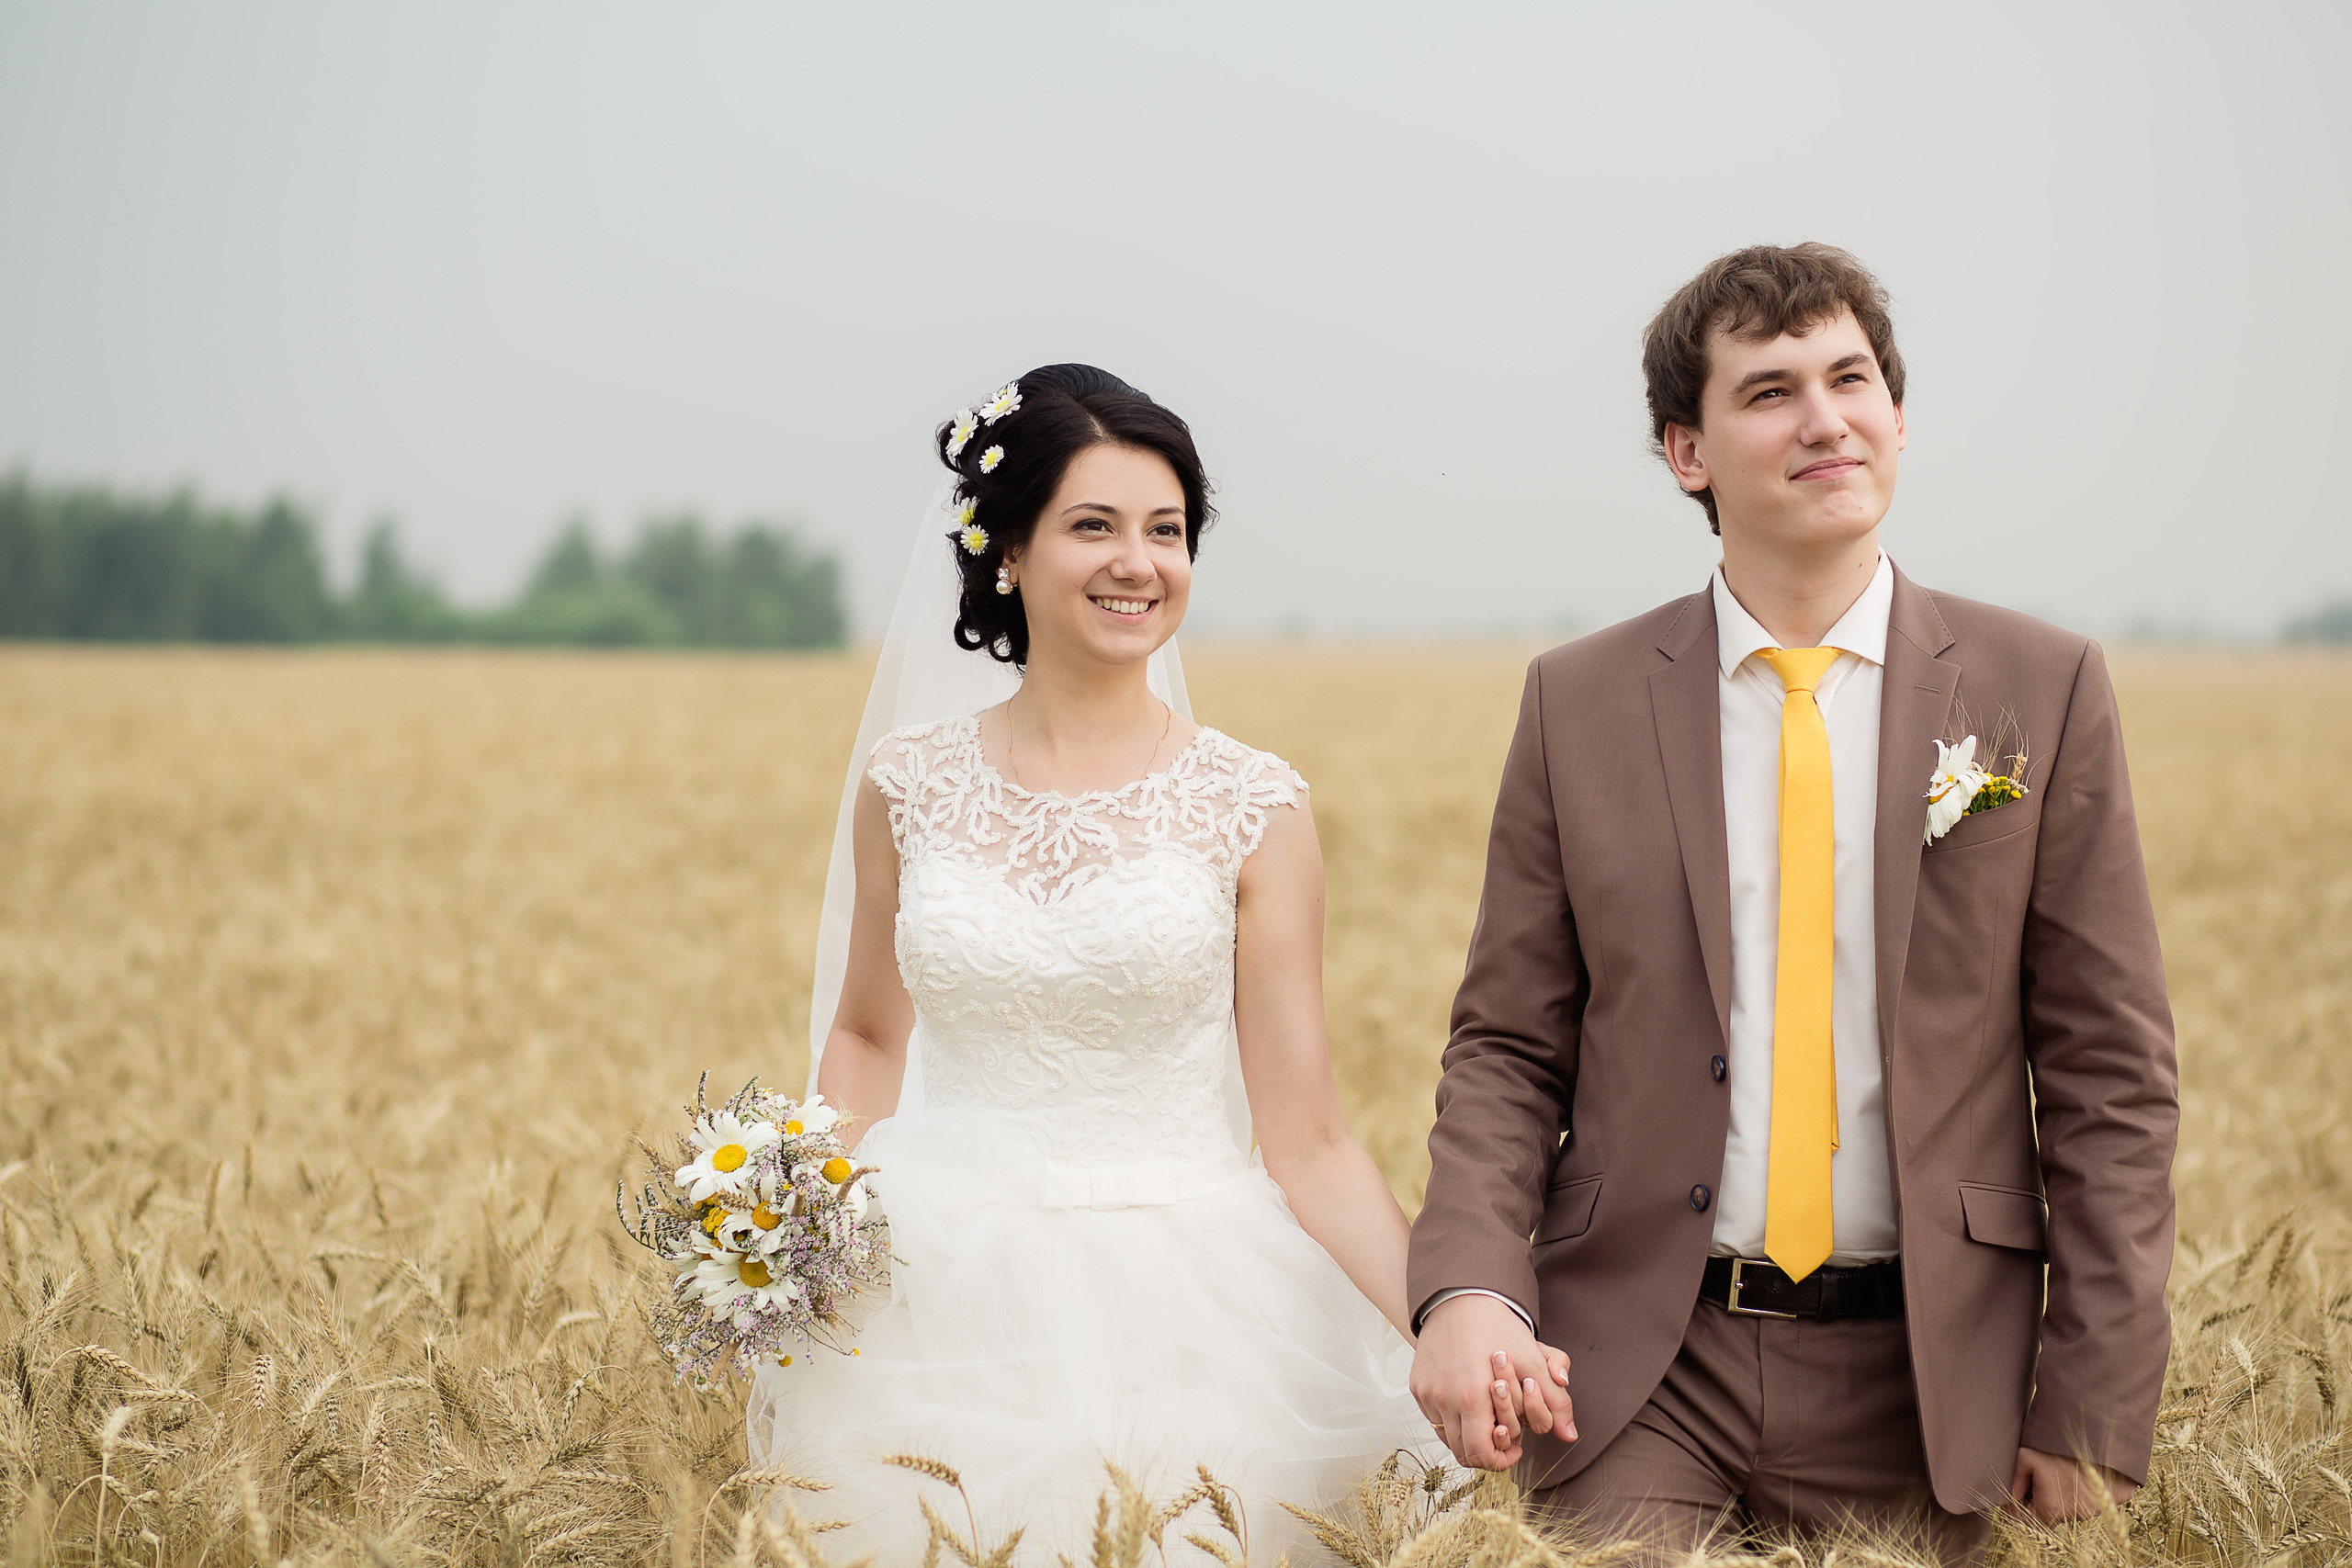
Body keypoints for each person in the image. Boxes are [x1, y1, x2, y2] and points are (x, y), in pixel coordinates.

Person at [1406, 244, 2178, 1562]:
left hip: (1933, 1377)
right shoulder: (1578, 701)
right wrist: (1469, 1289)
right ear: (1687, 452)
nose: (1825, 419)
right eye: (1769, 392)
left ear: (1896, 414)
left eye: (1852, 378)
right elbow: (1507, 1048)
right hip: (1645, 1365)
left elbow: (2111, 1070)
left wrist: (2095, 1393)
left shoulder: (2035, 690)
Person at [747, 364, 1554, 1554]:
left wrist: (1441, 1324)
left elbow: (1311, 1137)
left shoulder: (1252, 804)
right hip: (936, 1291)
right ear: (1007, 549)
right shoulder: (907, 784)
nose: (1140, 562)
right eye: (1095, 526)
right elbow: (867, 1038)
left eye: (1166, 531)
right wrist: (787, 1221)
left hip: (1194, 1305)